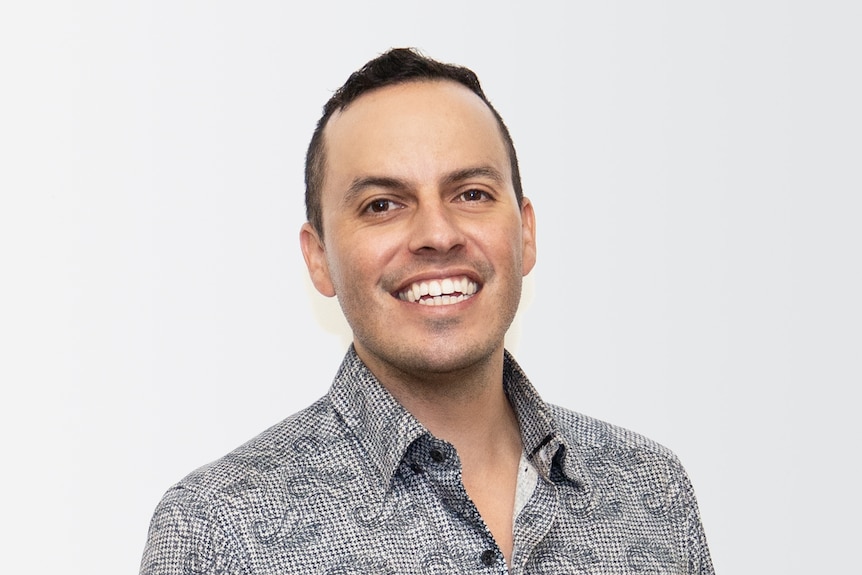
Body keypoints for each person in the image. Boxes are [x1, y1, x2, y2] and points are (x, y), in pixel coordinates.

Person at [140, 48, 714, 574]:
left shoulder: (650, 490)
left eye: (471, 194)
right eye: (382, 205)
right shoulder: (220, 532)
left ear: (526, 234)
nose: (437, 234)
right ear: (319, 260)